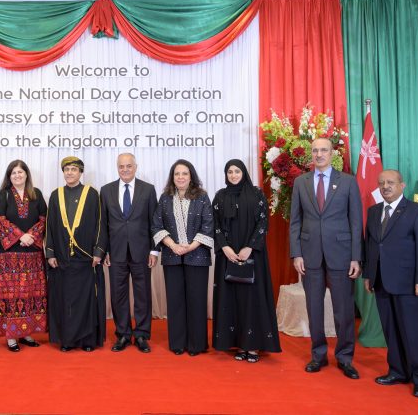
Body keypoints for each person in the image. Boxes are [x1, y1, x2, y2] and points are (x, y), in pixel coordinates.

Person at [289, 137, 363, 379]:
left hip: (341, 256)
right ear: (311, 154)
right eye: (315, 150)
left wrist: (355, 257)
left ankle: (344, 358)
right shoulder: (301, 182)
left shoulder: (348, 182)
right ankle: (318, 356)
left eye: (324, 150)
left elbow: (355, 221)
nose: (319, 154)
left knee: (343, 309)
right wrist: (296, 253)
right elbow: (295, 222)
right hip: (310, 256)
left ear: (333, 153)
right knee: (314, 308)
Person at [364, 169, 418, 398]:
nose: (386, 186)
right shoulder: (374, 212)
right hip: (382, 281)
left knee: (416, 332)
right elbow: (372, 246)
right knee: (391, 331)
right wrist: (369, 275)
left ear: (402, 186)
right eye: (382, 183)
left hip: (411, 284)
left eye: (391, 183)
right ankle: (398, 371)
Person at [212, 159, 281, 362]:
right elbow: (214, 224)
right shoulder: (220, 196)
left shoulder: (257, 194)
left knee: (252, 299)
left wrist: (250, 247)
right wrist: (225, 247)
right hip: (228, 256)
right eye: (230, 172)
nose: (233, 175)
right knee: (231, 300)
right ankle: (238, 344)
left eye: (237, 171)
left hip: (253, 255)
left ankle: (253, 346)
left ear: (244, 173)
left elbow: (263, 222)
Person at [151, 159, 213, 356]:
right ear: (172, 177)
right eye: (177, 174)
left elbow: (208, 225)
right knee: (175, 301)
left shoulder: (202, 197)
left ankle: (196, 345)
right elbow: (156, 226)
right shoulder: (165, 198)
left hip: (198, 256)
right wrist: (173, 245)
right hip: (172, 256)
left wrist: (191, 246)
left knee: (196, 300)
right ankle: (177, 343)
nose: (180, 177)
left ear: (191, 176)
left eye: (184, 173)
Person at [45, 156, 107, 351]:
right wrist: (51, 253)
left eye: (73, 169)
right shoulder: (56, 195)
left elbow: (100, 224)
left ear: (81, 172)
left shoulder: (92, 194)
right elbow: (50, 226)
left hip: (86, 259)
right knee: (65, 301)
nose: (69, 173)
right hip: (62, 259)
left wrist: (99, 251)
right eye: (66, 170)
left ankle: (87, 341)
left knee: (86, 301)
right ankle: (67, 340)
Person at [101, 153, 158, 353]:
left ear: (136, 167)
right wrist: (104, 250)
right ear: (117, 167)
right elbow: (103, 225)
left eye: (128, 166)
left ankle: (142, 334)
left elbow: (154, 222)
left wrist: (154, 250)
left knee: (143, 295)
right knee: (118, 295)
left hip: (142, 251)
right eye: (121, 166)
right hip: (115, 252)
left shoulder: (148, 189)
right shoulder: (106, 191)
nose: (125, 170)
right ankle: (123, 334)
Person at [0, 160, 48, 351]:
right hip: (10, 256)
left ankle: (27, 332)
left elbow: (44, 218)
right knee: (12, 296)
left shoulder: (36, 194)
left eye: (20, 172)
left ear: (26, 175)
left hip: (32, 254)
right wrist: (20, 235)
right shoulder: (4, 195)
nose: (17, 176)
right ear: (9, 176)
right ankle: (11, 336)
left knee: (30, 294)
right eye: (13, 173)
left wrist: (31, 237)